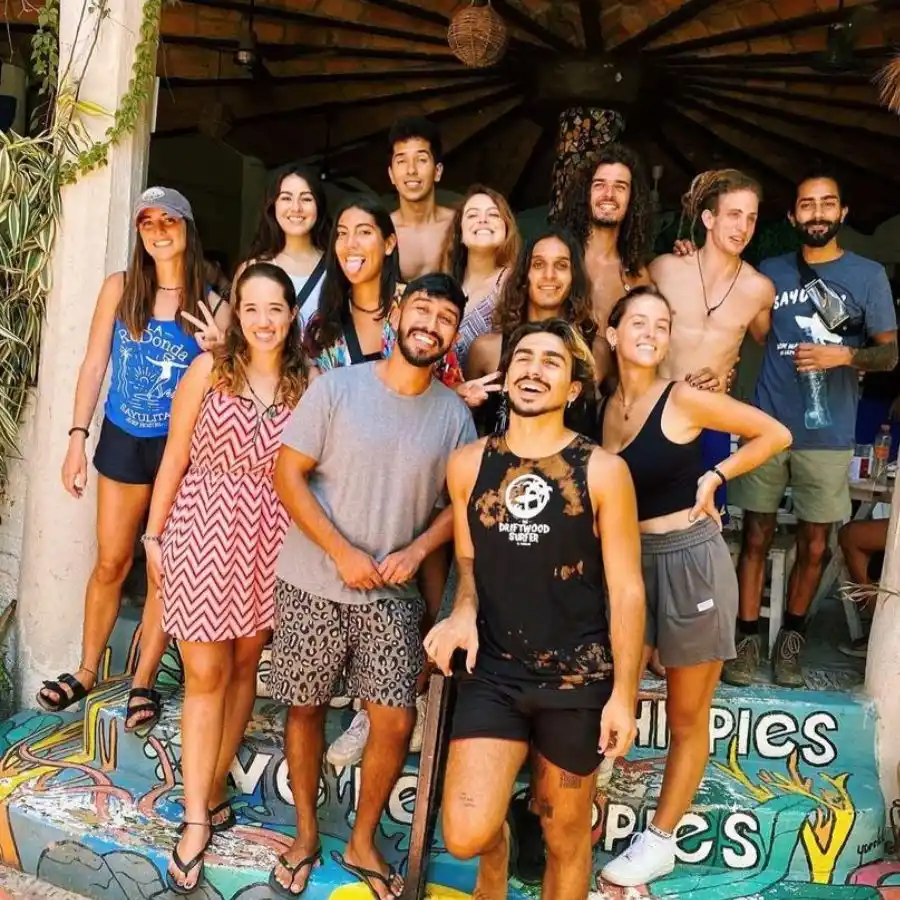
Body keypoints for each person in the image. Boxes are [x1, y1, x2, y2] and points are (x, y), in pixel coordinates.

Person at [269, 274, 476, 899]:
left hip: (391, 595)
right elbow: (287, 476)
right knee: (305, 707)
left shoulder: (454, 416)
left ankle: (361, 841)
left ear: (452, 334)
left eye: (445, 317)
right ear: (397, 312)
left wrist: (418, 549)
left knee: (393, 718)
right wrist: (341, 551)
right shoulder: (337, 387)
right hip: (311, 581)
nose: (430, 324)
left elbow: (461, 503)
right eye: (422, 309)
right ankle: (306, 835)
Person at [424, 318, 644, 900]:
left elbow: (627, 589)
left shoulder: (603, 470)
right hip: (494, 670)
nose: (533, 369)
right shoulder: (468, 464)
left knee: (565, 836)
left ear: (573, 389)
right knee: (465, 835)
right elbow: (468, 560)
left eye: (552, 361)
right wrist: (463, 609)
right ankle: (499, 853)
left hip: (577, 677)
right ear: (506, 375)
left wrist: (623, 695)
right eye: (524, 357)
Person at [597, 286, 790, 887]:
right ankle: (590, 795)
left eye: (662, 324)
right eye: (639, 322)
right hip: (627, 567)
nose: (651, 333)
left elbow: (774, 434)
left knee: (687, 714)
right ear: (612, 333)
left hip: (690, 562)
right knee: (609, 687)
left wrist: (716, 475)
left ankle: (660, 841)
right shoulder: (600, 406)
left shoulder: (682, 398)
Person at [142, 263, 307, 893]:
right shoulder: (209, 370)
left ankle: (210, 789)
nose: (263, 321)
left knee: (242, 668)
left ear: (292, 315)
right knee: (205, 674)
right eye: (251, 308)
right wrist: (153, 536)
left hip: (272, 539)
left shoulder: (308, 384)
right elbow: (175, 456)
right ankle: (193, 820)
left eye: (275, 308)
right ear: (236, 313)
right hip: (203, 528)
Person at [42, 187, 229, 731]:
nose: (158, 231)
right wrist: (77, 438)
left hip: (180, 450)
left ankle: (143, 679)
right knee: (111, 562)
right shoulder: (120, 288)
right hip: (123, 437)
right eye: (147, 222)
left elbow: (230, 383)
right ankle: (86, 668)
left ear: (187, 228)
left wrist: (223, 349)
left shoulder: (213, 305)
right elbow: (94, 363)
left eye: (169, 220)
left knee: (162, 570)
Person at [725, 171, 898, 688]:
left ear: (842, 213)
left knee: (817, 543)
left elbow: (890, 354)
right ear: (792, 215)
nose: (817, 213)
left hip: (828, 433)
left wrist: (844, 356)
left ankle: (792, 643)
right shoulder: (770, 272)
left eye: (827, 204)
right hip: (767, 424)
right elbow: (746, 326)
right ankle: (747, 640)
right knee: (754, 535)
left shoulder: (868, 275)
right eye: (807, 204)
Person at [657, 170, 776, 522]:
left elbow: (767, 341)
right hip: (658, 415)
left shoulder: (760, 289)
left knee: (706, 522)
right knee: (643, 524)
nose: (743, 227)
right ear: (709, 219)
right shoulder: (664, 270)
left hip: (712, 421)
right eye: (734, 215)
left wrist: (728, 372)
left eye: (751, 218)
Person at [305, 195, 462, 387]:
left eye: (364, 232)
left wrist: (461, 391)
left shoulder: (419, 306)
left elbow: (449, 381)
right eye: (342, 233)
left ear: (388, 244)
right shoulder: (323, 324)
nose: (350, 243)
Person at [464, 226, 599, 436]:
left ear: (574, 276)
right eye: (538, 264)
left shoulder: (596, 351)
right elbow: (465, 427)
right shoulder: (487, 350)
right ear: (524, 275)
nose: (549, 275)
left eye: (561, 265)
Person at [556, 143, 655, 386]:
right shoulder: (559, 258)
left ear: (632, 199)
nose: (609, 194)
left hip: (612, 397)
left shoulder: (636, 276)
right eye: (599, 185)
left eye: (620, 187)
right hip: (558, 387)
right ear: (586, 193)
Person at [237, 165, 330, 328]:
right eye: (286, 198)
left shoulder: (337, 267)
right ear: (273, 206)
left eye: (306, 199)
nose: (296, 208)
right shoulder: (251, 268)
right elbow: (238, 335)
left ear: (318, 206)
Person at [440, 184, 521, 366]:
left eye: (493, 215)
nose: (483, 220)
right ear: (460, 232)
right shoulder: (445, 285)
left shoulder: (515, 282)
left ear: (507, 228)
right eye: (472, 215)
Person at [388, 116, 455, 281]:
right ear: (391, 175)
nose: (411, 170)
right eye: (402, 161)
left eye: (421, 160)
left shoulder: (458, 225)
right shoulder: (383, 231)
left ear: (437, 172)